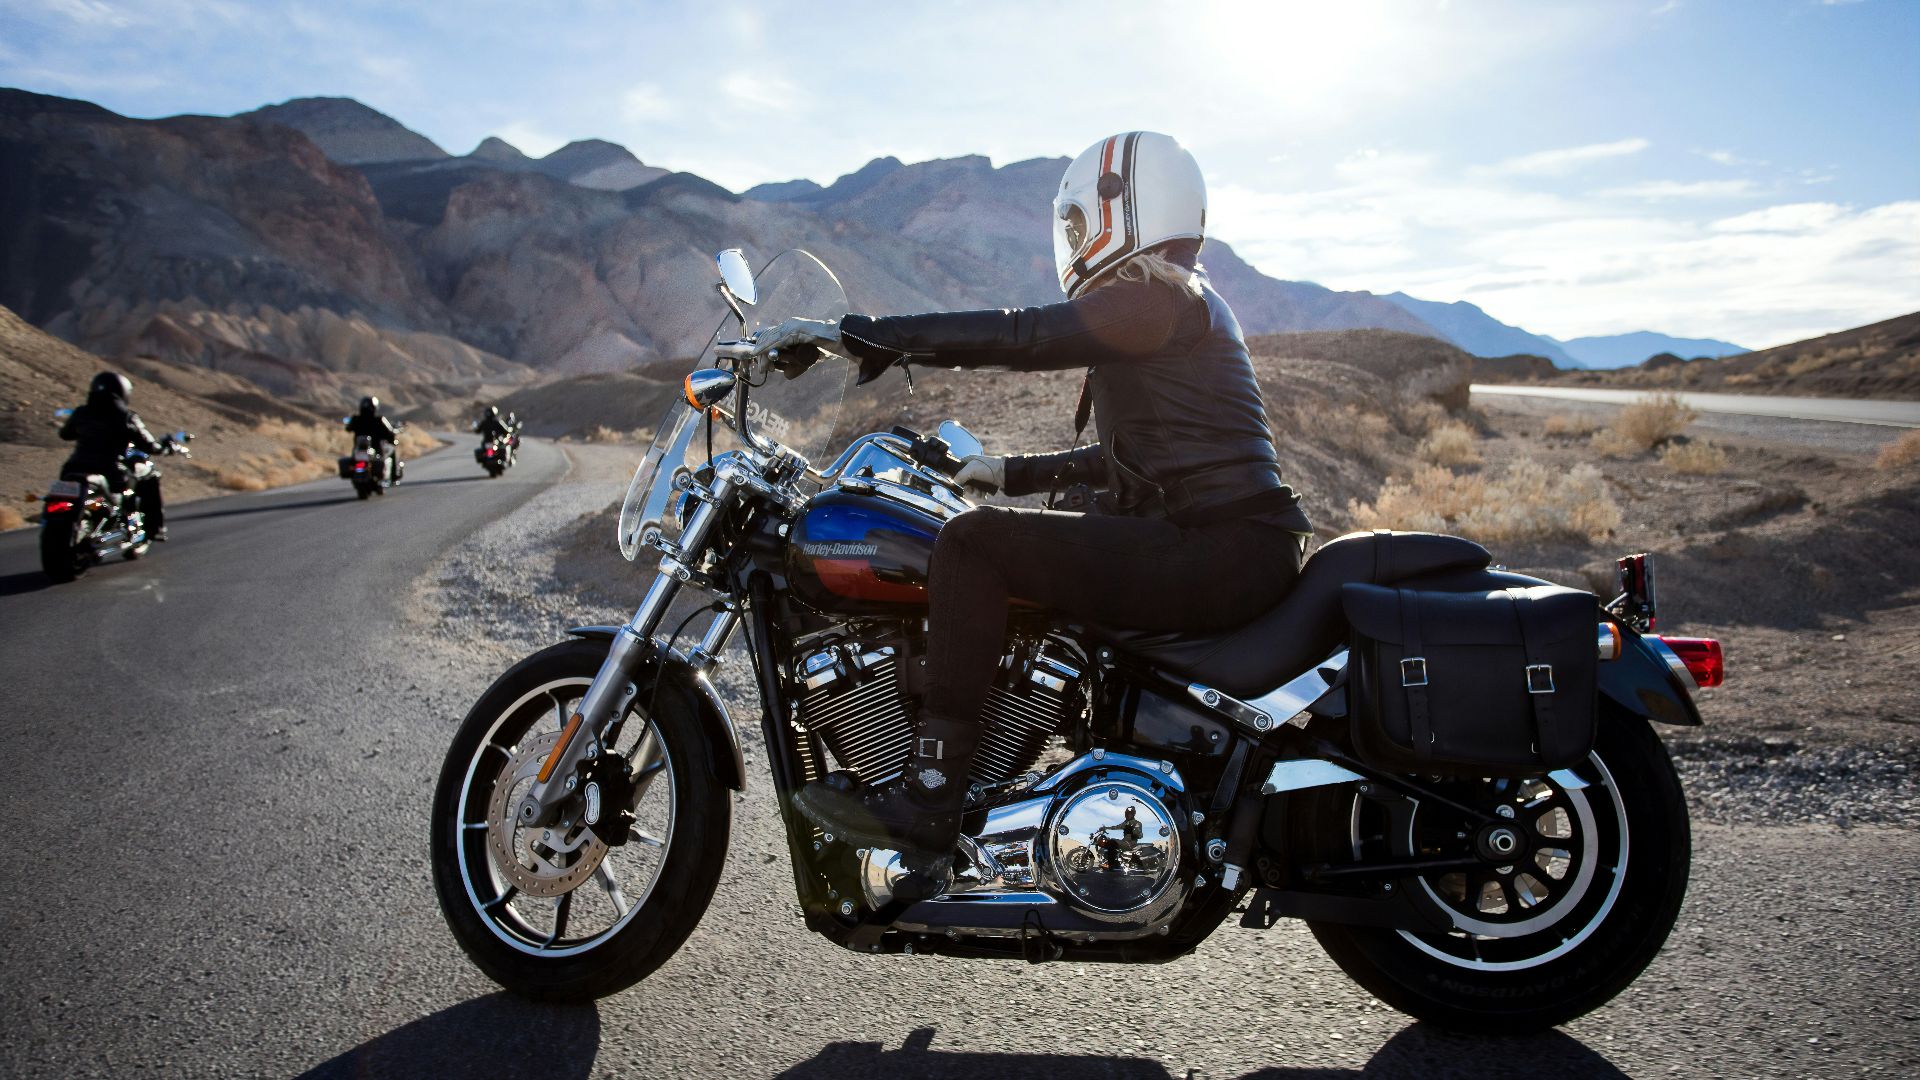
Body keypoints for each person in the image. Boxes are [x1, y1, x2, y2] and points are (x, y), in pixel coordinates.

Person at [754, 132, 1314, 867]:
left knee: (974, 544)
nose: (1074, 241)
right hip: (1227, 543)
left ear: (1128, 208)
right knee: (1028, 524)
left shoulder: (1155, 298)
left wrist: (862, 339)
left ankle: (930, 794)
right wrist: (1003, 472)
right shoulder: (1178, 302)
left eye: (1080, 223)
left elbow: (1020, 334)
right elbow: (1136, 460)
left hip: (1216, 549)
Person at [59, 372, 171, 540]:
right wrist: (164, 447)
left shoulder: (81, 413)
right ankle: (155, 528)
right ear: (122, 392)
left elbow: (65, 434)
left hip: (73, 469)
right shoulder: (126, 417)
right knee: (150, 476)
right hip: (109, 470)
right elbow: (150, 446)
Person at [346, 396, 400, 485]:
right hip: (374, 449)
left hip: (359, 449)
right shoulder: (379, 420)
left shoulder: (356, 419)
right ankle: (393, 476)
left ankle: (387, 476)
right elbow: (389, 432)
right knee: (390, 452)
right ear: (374, 407)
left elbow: (348, 428)